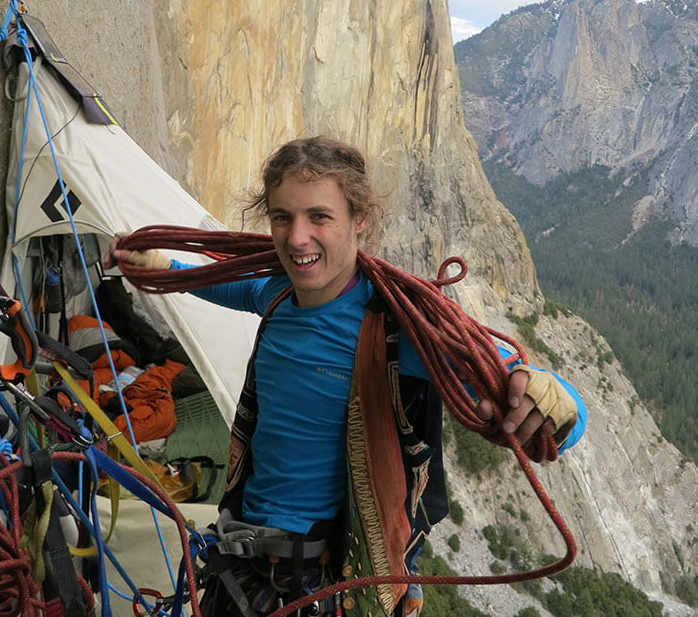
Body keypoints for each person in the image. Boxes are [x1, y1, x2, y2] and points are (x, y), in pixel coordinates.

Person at [104, 136, 586, 616]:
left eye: (319, 217)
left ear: (360, 222)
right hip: (240, 569)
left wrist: (556, 401)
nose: (296, 238)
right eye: (282, 217)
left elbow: (509, 381)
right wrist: (159, 264)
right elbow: (212, 280)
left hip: (326, 587)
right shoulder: (274, 293)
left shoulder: (396, 331)